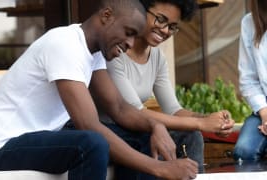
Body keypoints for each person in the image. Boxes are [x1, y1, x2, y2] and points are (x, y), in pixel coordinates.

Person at [0, 0, 199, 179]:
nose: (131, 43)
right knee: (92, 143)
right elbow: (88, 125)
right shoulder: (65, 44)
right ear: (106, 16)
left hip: (44, 135)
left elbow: (119, 108)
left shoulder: (94, 53)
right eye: (128, 32)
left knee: (142, 138)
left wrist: (155, 125)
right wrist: (160, 169)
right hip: (0, 149)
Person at [99, 0, 235, 174]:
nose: (164, 30)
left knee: (191, 136)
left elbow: (173, 110)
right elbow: (135, 112)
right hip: (108, 130)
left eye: (172, 26)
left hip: (138, 128)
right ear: (140, 10)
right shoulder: (116, 50)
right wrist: (201, 122)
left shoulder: (157, 57)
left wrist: (212, 120)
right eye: (160, 19)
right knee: (147, 140)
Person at [233, 0, 267, 162]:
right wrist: (265, 114)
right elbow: (248, 79)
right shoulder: (249, 22)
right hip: (264, 108)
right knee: (244, 151)